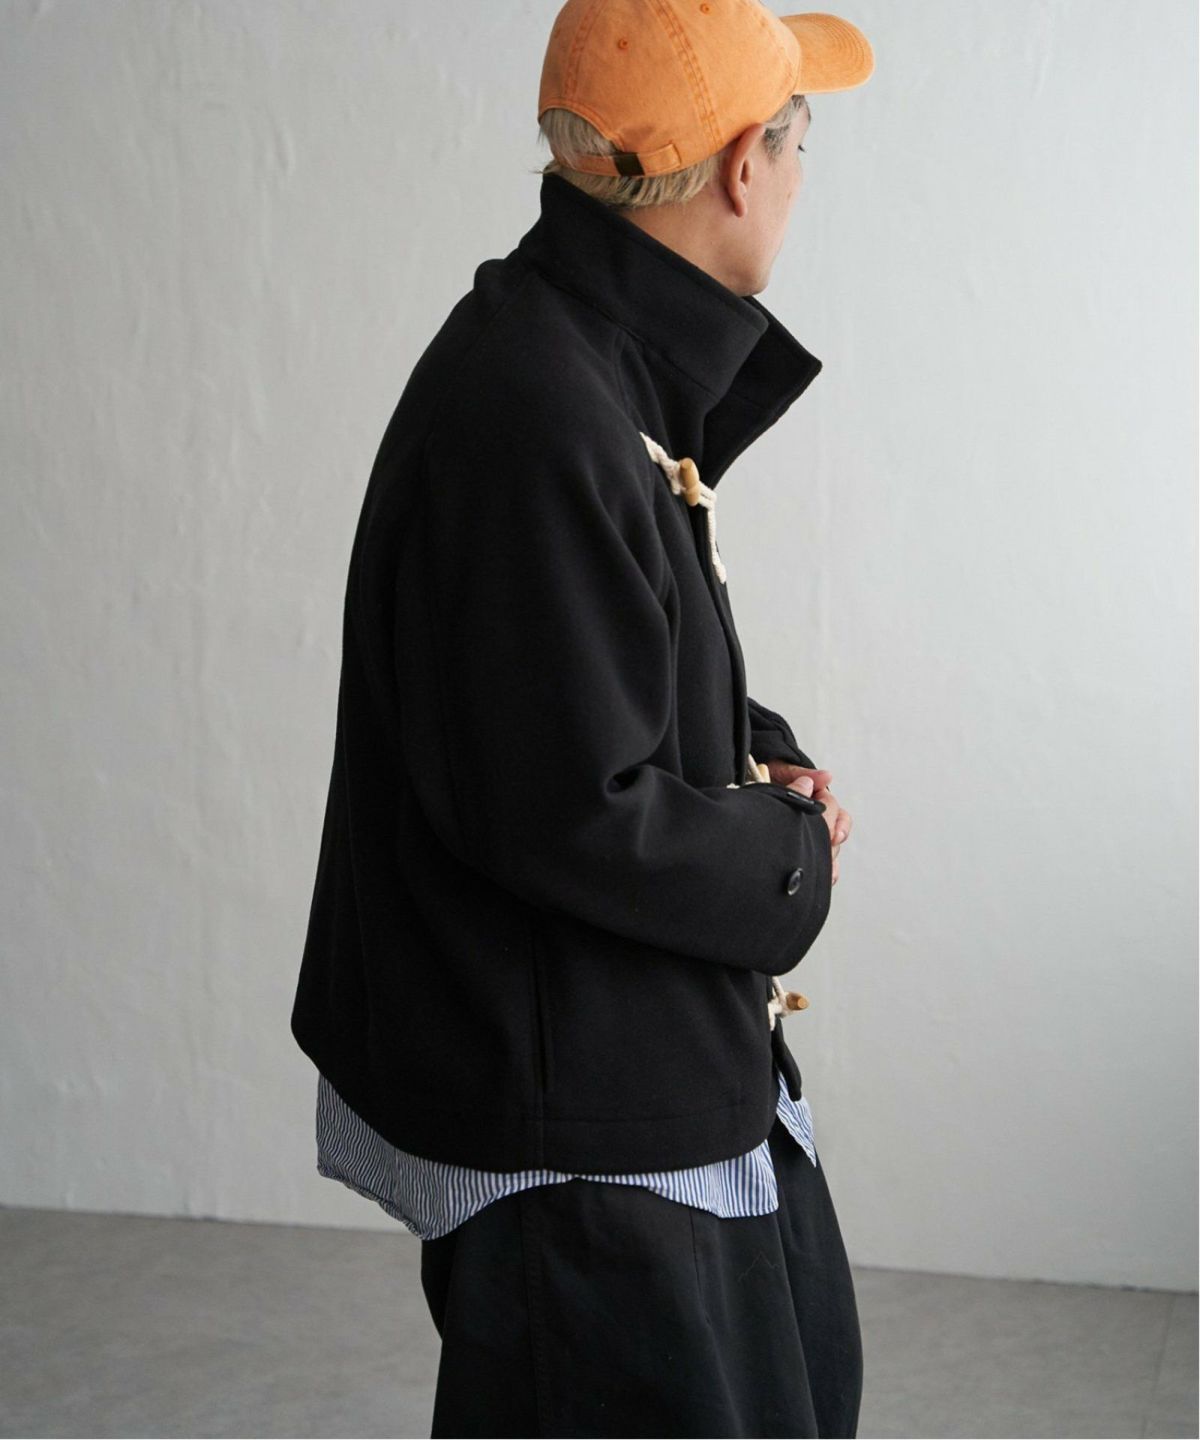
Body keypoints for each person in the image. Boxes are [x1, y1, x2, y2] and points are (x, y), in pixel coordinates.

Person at [290, 2, 874, 1434]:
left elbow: (579, 670)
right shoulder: (537, 409)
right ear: (743, 165)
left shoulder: (578, 360)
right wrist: (788, 860)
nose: (803, 177)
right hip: (584, 1132)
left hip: (622, 1077)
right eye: (801, 141)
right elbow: (566, 805)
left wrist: (754, 753)